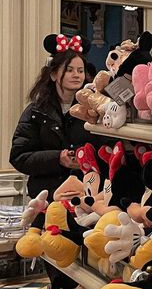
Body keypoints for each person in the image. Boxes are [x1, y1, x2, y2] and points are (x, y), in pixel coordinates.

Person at [10, 34, 94, 200]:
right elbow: (19, 156)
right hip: (45, 197)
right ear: (54, 74)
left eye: (80, 70)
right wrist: (57, 158)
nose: (76, 75)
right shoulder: (36, 111)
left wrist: (87, 159)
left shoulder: (92, 109)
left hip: (85, 195)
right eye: (69, 70)